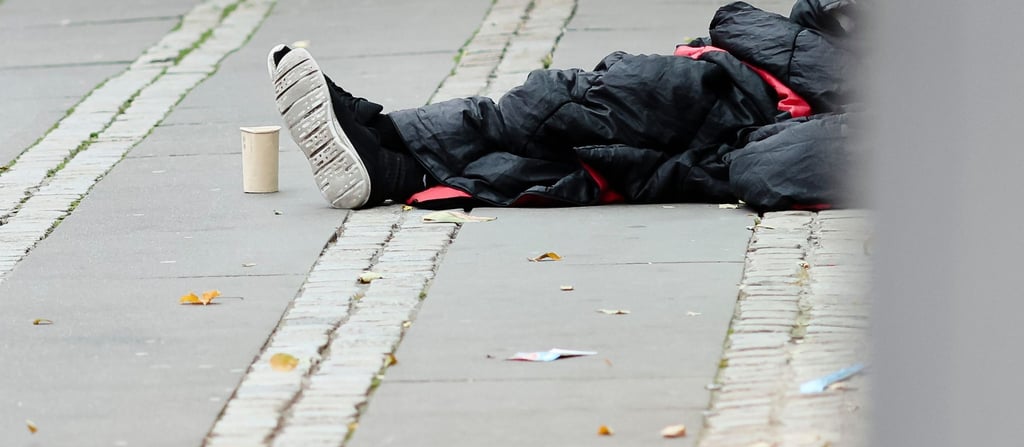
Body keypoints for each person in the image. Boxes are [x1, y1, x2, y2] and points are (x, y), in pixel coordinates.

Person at [267, 0, 860, 212]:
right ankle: (391, 159)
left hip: (749, 112)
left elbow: (767, 168)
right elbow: (803, 19)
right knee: (561, 143)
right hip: (742, 84)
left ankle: (388, 144)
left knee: (564, 110)